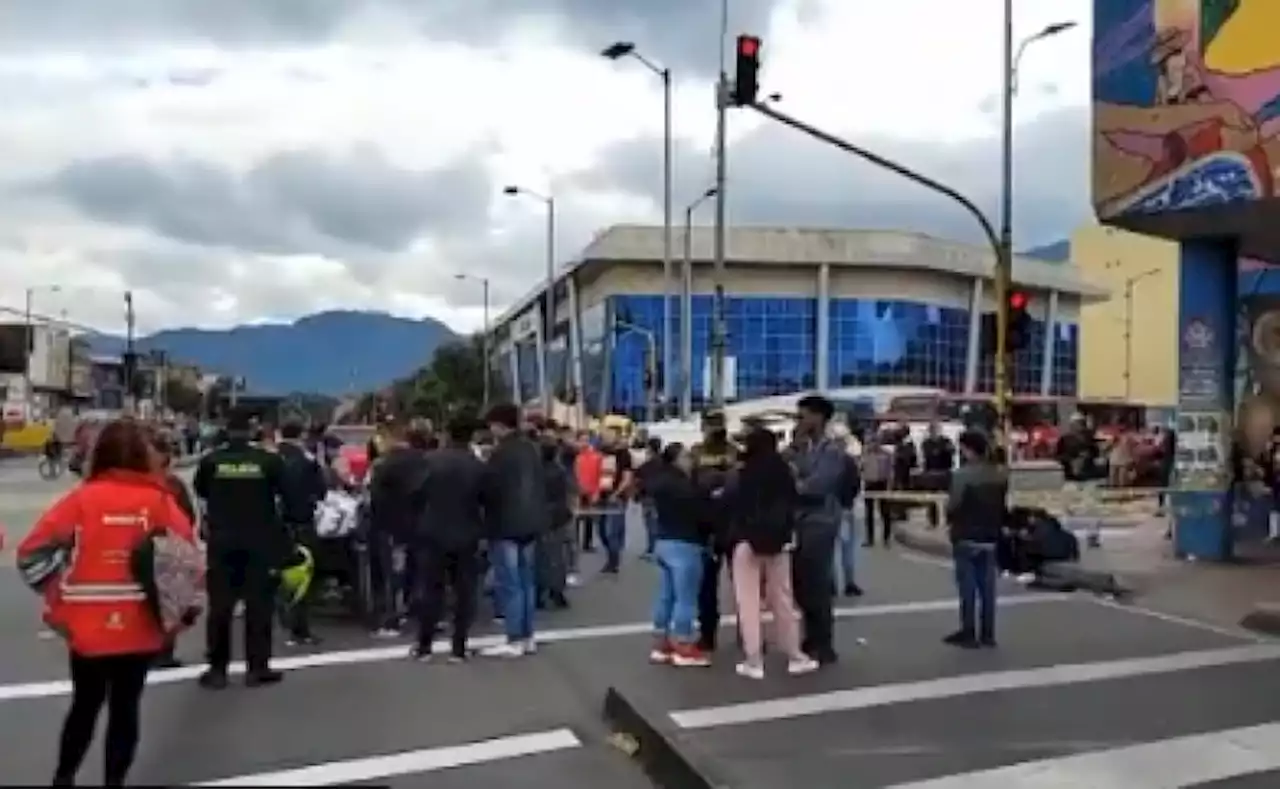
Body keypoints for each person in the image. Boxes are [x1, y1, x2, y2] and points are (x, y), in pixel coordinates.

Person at [18, 419, 197, 787]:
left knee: (84, 707)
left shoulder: (81, 500)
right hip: (141, 626)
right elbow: (189, 563)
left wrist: (59, 597)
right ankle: (114, 781)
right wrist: (177, 618)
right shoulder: (161, 502)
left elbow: (31, 555)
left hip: (86, 628)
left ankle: (63, 777)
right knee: (126, 710)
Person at [193, 409, 292, 689]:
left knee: (220, 608)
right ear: (252, 431)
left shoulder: (212, 461)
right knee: (259, 606)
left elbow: (201, 493)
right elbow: (286, 497)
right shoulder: (268, 461)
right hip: (259, 542)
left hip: (222, 542)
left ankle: (217, 670)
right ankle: (257, 668)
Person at [726, 428, 819, 679]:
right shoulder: (784, 472)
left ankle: (753, 660)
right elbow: (794, 503)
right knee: (783, 600)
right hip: (778, 542)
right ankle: (795, 656)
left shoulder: (742, 473)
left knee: (748, 602)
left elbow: (730, 503)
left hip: (746, 541)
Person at [411, 417, 487, 662]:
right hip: (466, 533)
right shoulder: (477, 465)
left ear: (447, 434)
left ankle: (424, 645)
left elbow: (415, 494)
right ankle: (459, 647)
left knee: (431, 589)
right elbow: (486, 500)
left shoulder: (430, 461)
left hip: (433, 532)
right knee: (465, 592)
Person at [480, 403, 550, 657]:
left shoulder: (501, 454)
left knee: (509, 584)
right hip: (531, 523)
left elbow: (489, 489)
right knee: (526, 582)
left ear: (499, 425)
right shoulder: (531, 449)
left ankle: (514, 638)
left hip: (505, 525)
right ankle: (527, 635)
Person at [791, 394, 846, 666]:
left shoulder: (832, 451)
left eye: (803, 416)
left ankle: (823, 642)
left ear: (818, 417)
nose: (799, 422)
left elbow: (815, 487)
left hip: (821, 522)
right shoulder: (802, 448)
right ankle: (810, 636)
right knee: (801, 583)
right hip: (800, 522)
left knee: (817, 583)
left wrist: (794, 481)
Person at [647, 443, 712, 667]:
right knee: (686, 598)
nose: (691, 460)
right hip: (686, 542)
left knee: (666, 595)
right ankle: (683, 645)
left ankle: (660, 643)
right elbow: (702, 514)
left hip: (663, 541)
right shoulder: (684, 487)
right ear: (676, 460)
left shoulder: (661, 483)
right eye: (686, 456)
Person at [944, 430, 1008, 648]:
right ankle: (988, 633)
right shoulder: (1000, 474)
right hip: (990, 536)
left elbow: (953, 505)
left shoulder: (962, 475)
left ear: (968, 450)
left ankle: (969, 632)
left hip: (966, 536)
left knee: (968, 588)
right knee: (988, 588)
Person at [367, 418, 429, 637]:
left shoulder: (386, 464)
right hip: (419, 524)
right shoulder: (423, 460)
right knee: (418, 572)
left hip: (390, 526)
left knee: (391, 575)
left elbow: (374, 496)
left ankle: (389, 620)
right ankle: (422, 614)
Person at [147, 428, 198, 669]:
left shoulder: (140, 483)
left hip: (148, 549)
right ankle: (164, 651)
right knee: (170, 600)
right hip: (169, 549)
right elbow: (188, 517)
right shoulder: (173, 484)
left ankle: (152, 649)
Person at [275, 420, 329, 646]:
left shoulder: (270, 459)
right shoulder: (306, 461)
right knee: (304, 577)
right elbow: (321, 491)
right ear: (300, 435)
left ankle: (283, 618)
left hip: (274, 527)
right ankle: (300, 629)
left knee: (279, 576)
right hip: (301, 525)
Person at [692, 412, 737, 653]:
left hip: (722, 526)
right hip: (716, 526)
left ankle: (741, 633)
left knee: (732, 583)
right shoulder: (732, 452)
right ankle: (711, 633)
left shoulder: (700, 453)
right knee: (711, 585)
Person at [535, 435, 574, 610]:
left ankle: (539, 591)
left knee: (540, 556)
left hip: (540, 515)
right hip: (558, 516)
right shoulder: (560, 470)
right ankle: (557, 590)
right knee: (557, 556)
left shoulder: (535, 472)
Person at [829, 424, 864, 597]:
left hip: (831, 508)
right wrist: (849, 500)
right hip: (846, 508)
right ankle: (849, 583)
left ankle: (832, 584)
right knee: (847, 548)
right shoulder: (849, 461)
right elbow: (856, 484)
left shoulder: (826, 461)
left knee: (832, 548)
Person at [596, 427, 635, 574]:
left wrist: (617, 493)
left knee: (612, 530)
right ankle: (612, 554)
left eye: (609, 435)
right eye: (604, 435)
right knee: (601, 530)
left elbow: (627, 477)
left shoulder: (624, 455)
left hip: (616, 497)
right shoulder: (600, 453)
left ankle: (613, 561)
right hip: (601, 495)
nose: (605, 438)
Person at [573, 433, 603, 553]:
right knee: (576, 519)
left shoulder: (596, 456)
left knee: (589, 519)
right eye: (581, 440)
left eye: (586, 440)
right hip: (578, 490)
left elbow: (600, 474)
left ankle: (587, 543)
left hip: (591, 491)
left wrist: (597, 491)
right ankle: (575, 542)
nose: (584, 443)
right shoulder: (575, 456)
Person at [635, 436, 663, 560]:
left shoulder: (647, 465)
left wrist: (637, 495)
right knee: (658, 523)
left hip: (648, 497)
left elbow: (639, 479)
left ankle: (652, 549)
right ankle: (656, 548)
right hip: (661, 497)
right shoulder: (664, 463)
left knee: (650, 524)